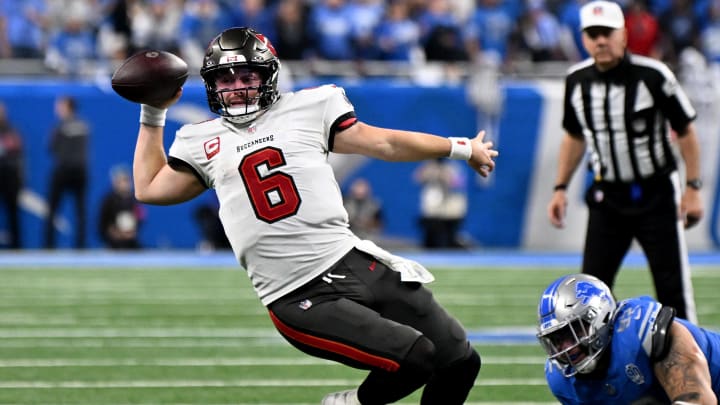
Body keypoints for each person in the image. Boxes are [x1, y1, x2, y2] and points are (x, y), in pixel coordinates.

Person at [130, 27, 497, 405]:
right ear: (211, 84)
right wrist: (153, 111)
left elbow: (383, 142)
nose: (236, 87)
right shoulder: (201, 139)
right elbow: (150, 188)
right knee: (415, 357)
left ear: (268, 75)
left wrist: (459, 147)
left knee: (459, 360)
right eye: (226, 78)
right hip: (297, 294)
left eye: (247, 76)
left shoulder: (310, 107)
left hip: (351, 260)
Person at [546, 0, 703, 324]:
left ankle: (692, 366)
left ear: (624, 35)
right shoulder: (577, 81)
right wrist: (560, 187)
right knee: (592, 288)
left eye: (607, 32)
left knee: (672, 288)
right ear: (584, 39)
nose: (600, 40)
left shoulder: (653, 75)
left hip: (656, 192)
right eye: (593, 34)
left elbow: (686, 131)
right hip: (608, 197)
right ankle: (601, 367)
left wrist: (693, 187)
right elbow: (574, 136)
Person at [536, 273, 720, 404]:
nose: (567, 348)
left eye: (574, 331)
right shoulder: (561, 379)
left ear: (601, 316)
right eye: (557, 339)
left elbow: (699, 400)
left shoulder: (642, 331)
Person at [45, 96, 90, 249]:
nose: (57, 109)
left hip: (63, 171)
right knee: (80, 210)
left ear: (67, 107)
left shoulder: (60, 127)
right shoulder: (84, 126)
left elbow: (52, 148)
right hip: (80, 171)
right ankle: (81, 246)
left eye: (60, 105)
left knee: (53, 209)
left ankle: (49, 246)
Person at [414, 158, 468, 249]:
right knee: (430, 241)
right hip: (432, 212)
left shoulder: (453, 167)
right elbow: (417, 178)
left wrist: (445, 176)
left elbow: (459, 184)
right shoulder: (428, 166)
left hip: (449, 213)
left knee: (448, 241)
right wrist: (430, 172)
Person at [98, 165, 144, 249]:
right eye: (121, 181)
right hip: (113, 242)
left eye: (126, 181)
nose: (124, 184)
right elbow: (102, 223)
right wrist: (114, 232)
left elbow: (141, 218)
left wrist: (132, 232)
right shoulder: (108, 201)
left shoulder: (135, 200)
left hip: (131, 242)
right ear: (115, 182)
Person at [0, 102, 24, 249]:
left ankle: (16, 246)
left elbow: (19, 154)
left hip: (9, 175)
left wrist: (19, 176)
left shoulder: (12, 131)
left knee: (13, 212)